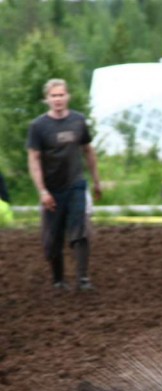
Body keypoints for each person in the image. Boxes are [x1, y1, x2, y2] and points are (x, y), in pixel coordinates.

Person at [26, 78, 102, 292]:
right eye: (53, 95)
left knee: (80, 230)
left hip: (76, 184)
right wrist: (42, 191)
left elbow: (88, 151)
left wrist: (97, 181)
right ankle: (58, 280)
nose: (58, 99)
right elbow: (34, 159)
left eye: (61, 95)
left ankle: (83, 279)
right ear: (47, 99)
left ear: (67, 96)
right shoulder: (38, 126)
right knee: (53, 238)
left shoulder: (78, 121)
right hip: (52, 189)